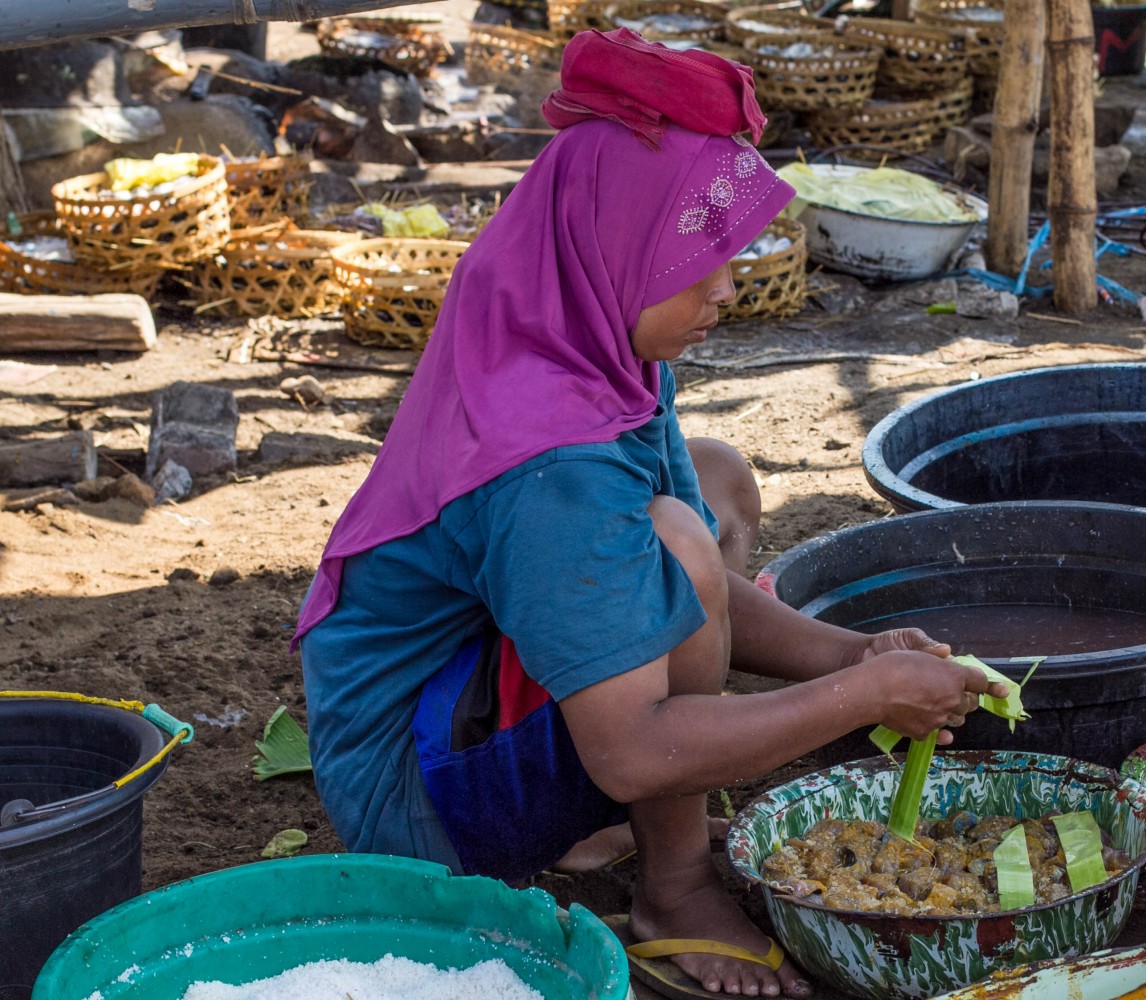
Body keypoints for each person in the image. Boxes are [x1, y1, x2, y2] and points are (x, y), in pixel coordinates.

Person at [294, 28, 1005, 999]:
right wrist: (869, 700)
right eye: (695, 262)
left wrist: (854, 655)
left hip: (467, 683)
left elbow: (674, 557)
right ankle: (673, 884)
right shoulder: (549, 458)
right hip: (414, 796)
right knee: (678, 547)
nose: (724, 288)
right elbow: (635, 744)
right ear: (614, 243)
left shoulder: (577, 318)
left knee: (710, 485)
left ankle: (597, 820)